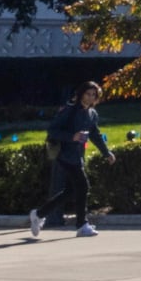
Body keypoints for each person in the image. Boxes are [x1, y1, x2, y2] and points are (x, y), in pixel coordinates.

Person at [28, 80, 117, 239]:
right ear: (80, 94)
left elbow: (95, 135)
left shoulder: (91, 114)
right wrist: (72, 137)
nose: (90, 97)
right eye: (87, 94)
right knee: (83, 186)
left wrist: (106, 152)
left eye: (93, 95)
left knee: (70, 191)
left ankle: (39, 214)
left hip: (77, 157)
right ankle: (82, 224)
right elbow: (53, 130)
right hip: (64, 155)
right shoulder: (69, 110)